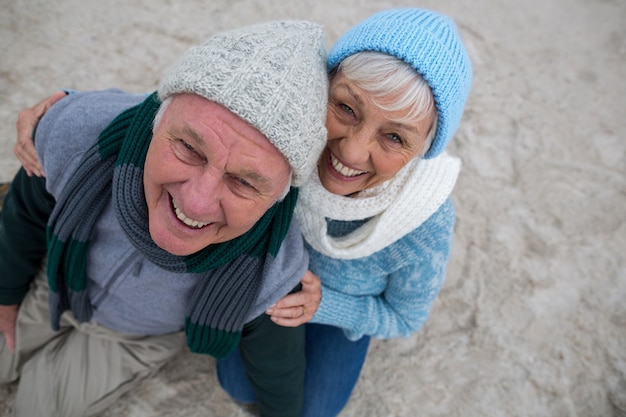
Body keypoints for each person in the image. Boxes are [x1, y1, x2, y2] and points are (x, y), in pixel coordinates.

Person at [12, 8, 473, 417]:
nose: (351, 151)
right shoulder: (283, 138)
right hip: (261, 288)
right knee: (237, 377)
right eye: (346, 108)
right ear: (320, 91)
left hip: (336, 307)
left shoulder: (422, 224)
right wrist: (66, 108)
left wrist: (324, 306)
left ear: (426, 148)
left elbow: (405, 318)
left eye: (395, 138)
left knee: (311, 404)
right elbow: (198, 106)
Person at [0, 20, 328, 417]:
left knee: (37, 406)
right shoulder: (79, 135)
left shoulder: (272, 271)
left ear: (279, 197)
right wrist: (6, 294)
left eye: (244, 181)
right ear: (158, 117)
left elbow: (277, 367)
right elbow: (24, 217)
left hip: (133, 338)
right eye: (189, 147)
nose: (196, 203)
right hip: (52, 282)